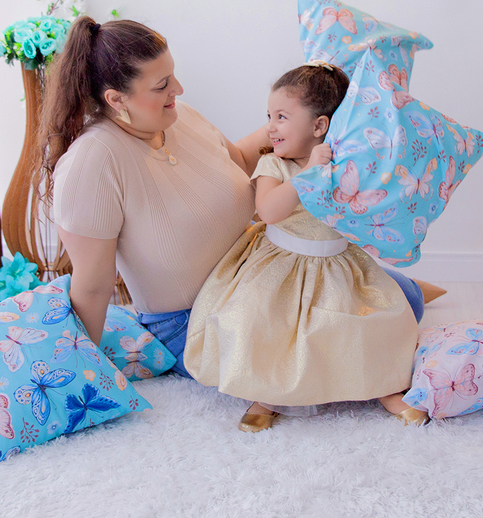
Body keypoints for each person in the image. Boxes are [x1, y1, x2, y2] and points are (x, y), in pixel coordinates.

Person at [37, 17, 435, 380]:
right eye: (162, 86)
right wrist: (81, 376)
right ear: (116, 99)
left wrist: (306, 112)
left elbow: (241, 161)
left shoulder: (178, 116)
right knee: (349, 344)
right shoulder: (93, 162)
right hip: (195, 318)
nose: (178, 90)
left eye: (172, 76)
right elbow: (92, 287)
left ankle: (408, 293)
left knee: (401, 297)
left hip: (256, 275)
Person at [182, 62, 427, 431]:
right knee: (262, 325)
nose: (270, 126)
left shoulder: (345, 165)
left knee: (369, 323)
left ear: (319, 126)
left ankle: (387, 386)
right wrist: (309, 174)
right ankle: (265, 394)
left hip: (337, 264)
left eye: (282, 117)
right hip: (281, 266)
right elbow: (268, 211)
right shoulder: (274, 165)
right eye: (269, 116)